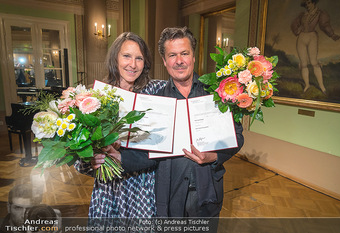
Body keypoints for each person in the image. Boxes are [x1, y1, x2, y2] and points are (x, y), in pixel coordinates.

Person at [74, 32, 167, 218]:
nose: (133, 64)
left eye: (139, 58)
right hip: (109, 189)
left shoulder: (157, 91)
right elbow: (78, 157)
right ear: (115, 57)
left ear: (146, 62)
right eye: (126, 56)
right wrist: (90, 160)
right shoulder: (95, 97)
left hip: (143, 187)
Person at [154, 26, 244, 217]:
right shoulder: (156, 101)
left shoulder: (216, 93)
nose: (179, 61)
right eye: (172, 55)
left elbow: (237, 137)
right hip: (170, 196)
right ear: (164, 61)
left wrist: (214, 157)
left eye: (184, 53)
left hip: (207, 191)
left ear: (194, 56)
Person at [291, 0, 340, 94]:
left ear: (314, 3)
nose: (307, 5)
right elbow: (294, 25)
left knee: (314, 62)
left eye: (309, 3)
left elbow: (325, 25)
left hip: (312, 37)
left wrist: (332, 35)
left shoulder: (319, 13)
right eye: (306, 4)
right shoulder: (303, 15)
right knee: (303, 63)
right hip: (301, 37)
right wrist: (298, 30)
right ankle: (307, 85)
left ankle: (322, 86)